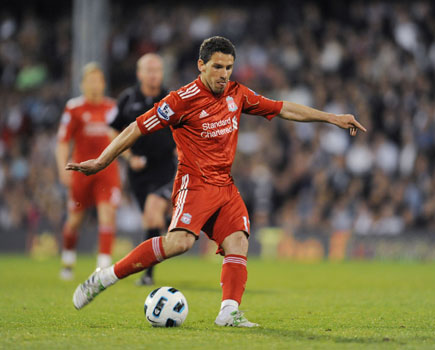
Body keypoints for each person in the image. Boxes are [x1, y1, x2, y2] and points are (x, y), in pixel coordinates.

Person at [67, 36, 366, 327]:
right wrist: (102, 161)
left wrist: (332, 118)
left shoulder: (238, 94)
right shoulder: (180, 100)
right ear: (201, 65)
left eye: (228, 67)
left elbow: (282, 108)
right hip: (194, 182)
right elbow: (136, 127)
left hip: (225, 185)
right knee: (180, 243)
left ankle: (228, 312)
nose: (224, 74)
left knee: (238, 240)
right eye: (217, 67)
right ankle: (106, 277)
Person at [108, 53, 176, 286]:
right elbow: (113, 131)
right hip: (137, 171)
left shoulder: (171, 98)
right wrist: (128, 157)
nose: (154, 74)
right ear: (139, 73)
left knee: (152, 211)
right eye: (149, 70)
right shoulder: (127, 99)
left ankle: (148, 275)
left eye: (157, 69)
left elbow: (185, 129)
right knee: (150, 219)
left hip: (166, 167)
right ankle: (169, 220)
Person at [55, 63, 121, 280]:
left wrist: (130, 157)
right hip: (81, 170)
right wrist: (62, 167)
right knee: (74, 219)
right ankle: (68, 260)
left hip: (107, 170)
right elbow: (63, 141)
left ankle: (102, 270)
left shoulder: (112, 107)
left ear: (103, 84)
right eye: (90, 80)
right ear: (83, 84)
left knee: (107, 214)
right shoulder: (74, 108)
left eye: (98, 80)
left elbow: (119, 138)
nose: (94, 84)